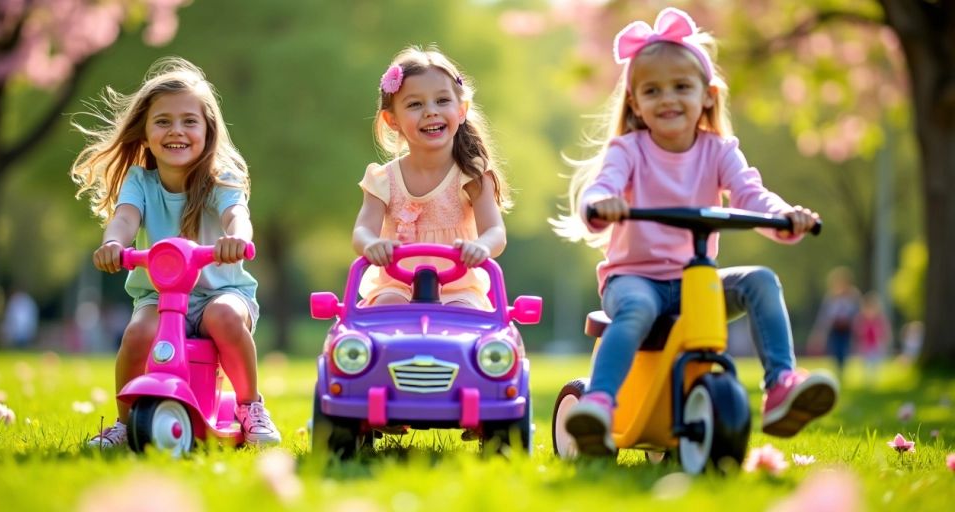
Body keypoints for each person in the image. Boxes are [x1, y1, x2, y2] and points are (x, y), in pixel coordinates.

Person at [551, 8, 839, 456]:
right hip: (634, 278)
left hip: (694, 282)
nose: (668, 99)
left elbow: (751, 193)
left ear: (707, 96)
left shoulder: (719, 150)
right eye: (652, 90)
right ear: (635, 103)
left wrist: (786, 216)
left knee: (761, 281)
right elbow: (603, 187)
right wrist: (601, 206)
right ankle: (601, 404)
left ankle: (780, 386)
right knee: (638, 310)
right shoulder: (628, 150)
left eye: (681, 87)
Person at [69, 57, 280, 448]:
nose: (176, 131)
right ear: (145, 133)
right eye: (163, 121)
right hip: (160, 296)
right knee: (137, 335)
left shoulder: (220, 178)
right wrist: (113, 243)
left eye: (189, 121)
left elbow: (238, 214)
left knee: (224, 318)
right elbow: (125, 218)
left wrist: (236, 238)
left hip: (222, 291)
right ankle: (125, 421)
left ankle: (250, 406)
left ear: (208, 130)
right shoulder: (140, 181)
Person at [352, 46, 512, 309]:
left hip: (458, 287)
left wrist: (482, 246)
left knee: (465, 320)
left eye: (442, 101)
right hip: (397, 283)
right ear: (392, 120)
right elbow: (362, 231)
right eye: (415, 104)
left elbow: (496, 231)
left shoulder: (472, 175)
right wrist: (372, 244)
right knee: (386, 308)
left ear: (461, 110)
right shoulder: (383, 180)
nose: (430, 111)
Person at [808, 266, 861, 379]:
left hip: (847, 329)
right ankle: (839, 369)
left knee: (844, 349)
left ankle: (842, 368)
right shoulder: (831, 298)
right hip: (835, 329)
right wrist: (819, 333)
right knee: (836, 349)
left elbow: (857, 314)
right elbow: (825, 316)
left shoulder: (853, 297)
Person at [852, 291, 891, 383]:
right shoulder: (861, 319)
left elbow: (885, 331)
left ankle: (874, 378)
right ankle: (867, 379)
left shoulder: (879, 319)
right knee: (866, 362)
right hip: (865, 345)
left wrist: (885, 340)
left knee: (876, 361)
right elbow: (857, 332)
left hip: (876, 345)